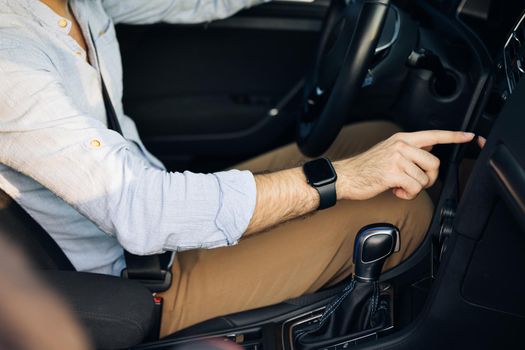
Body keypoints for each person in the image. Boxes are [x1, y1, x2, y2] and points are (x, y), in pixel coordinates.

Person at [0, 0, 475, 337]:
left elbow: (198, 2)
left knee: (373, 136)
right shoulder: (10, 59)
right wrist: (345, 179)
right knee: (400, 212)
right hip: (130, 279)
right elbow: (143, 211)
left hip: (154, 222)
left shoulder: (73, 5)